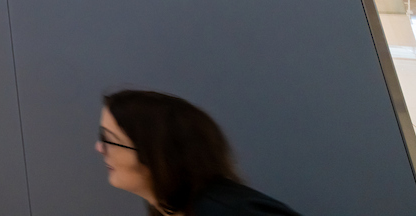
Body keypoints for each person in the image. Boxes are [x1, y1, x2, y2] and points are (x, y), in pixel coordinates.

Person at [97, 90, 302, 215]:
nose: (99, 148)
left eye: (110, 140)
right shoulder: (171, 209)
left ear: (157, 154)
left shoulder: (232, 211)